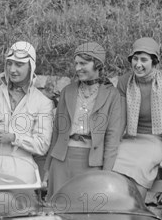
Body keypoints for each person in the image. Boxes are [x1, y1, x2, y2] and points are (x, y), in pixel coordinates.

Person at [45, 42, 125, 197]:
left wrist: (106, 175)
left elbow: (112, 139)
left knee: (88, 213)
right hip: (62, 161)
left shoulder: (112, 95)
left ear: (97, 64)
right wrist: (47, 169)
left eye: (83, 63)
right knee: (59, 212)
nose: (77, 68)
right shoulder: (67, 91)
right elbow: (56, 133)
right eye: (76, 63)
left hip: (92, 164)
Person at [0, 41, 54, 175]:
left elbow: (42, 145)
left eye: (19, 64)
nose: (12, 69)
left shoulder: (43, 103)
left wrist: (14, 138)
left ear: (31, 66)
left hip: (21, 172)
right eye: (9, 63)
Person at [112, 37, 162, 198]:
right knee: (113, 163)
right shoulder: (125, 81)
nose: (138, 64)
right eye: (135, 59)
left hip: (156, 140)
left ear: (154, 62)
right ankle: (115, 213)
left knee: (140, 165)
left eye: (144, 60)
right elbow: (120, 119)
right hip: (131, 137)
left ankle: (135, 213)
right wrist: (112, 146)